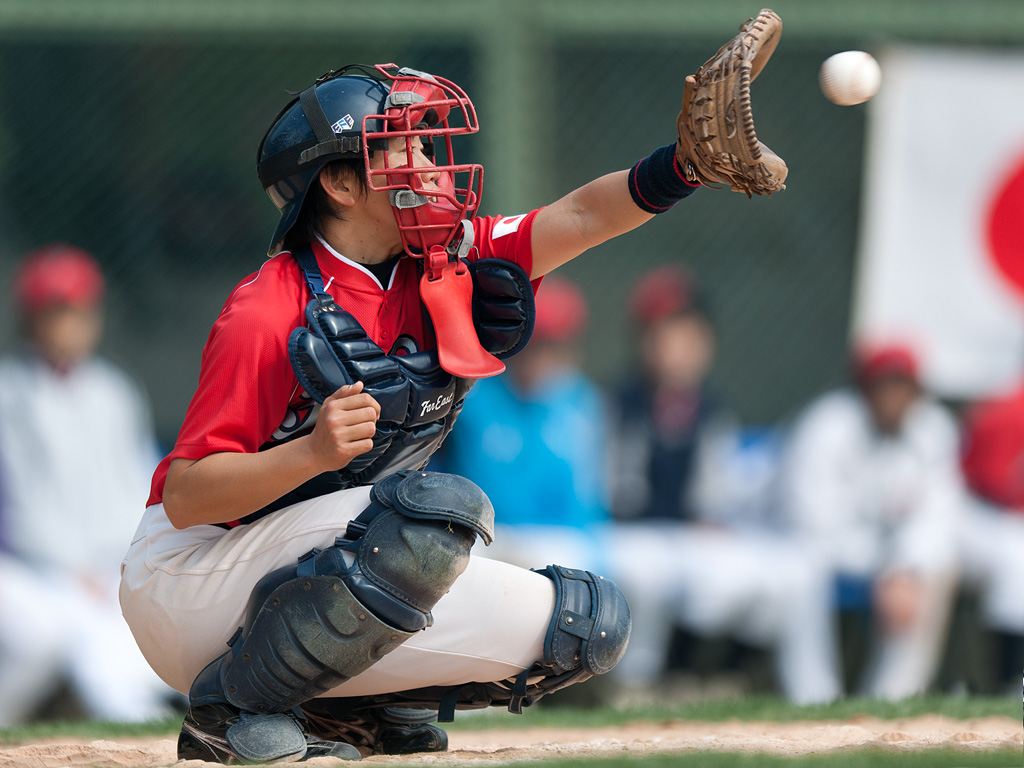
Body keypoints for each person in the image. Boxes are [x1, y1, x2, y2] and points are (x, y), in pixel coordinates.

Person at [118, 24, 787, 763]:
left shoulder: (443, 258)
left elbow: (581, 217)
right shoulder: (268, 309)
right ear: (338, 184)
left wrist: (686, 165)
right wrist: (310, 452)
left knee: (586, 625)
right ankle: (227, 712)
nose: (430, 164)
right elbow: (186, 495)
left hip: (325, 552)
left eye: (429, 145)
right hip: (188, 585)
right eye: (402, 147)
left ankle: (350, 710)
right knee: (431, 517)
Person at [606, 265, 839, 705]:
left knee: (784, 573)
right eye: (661, 333)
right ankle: (637, 682)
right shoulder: (622, 402)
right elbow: (621, 494)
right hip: (633, 531)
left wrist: (707, 520)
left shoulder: (709, 404)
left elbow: (713, 497)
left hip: (688, 533)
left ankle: (720, 674)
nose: (675, 345)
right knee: (650, 567)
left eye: (686, 332)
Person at [0, 244, 173, 725]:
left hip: (104, 569)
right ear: (31, 318)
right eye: (56, 311)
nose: (69, 323)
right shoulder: (9, 392)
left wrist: (123, 559)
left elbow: (140, 484)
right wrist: (69, 566)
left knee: (129, 668)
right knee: (41, 636)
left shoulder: (113, 390)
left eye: (77, 310)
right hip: (26, 569)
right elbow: (16, 511)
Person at [777, 343, 964, 700]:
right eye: (883, 384)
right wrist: (888, 568)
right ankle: (811, 697)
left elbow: (938, 517)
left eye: (902, 385)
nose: (893, 396)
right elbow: (811, 526)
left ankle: (893, 698)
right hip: (803, 547)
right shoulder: (826, 426)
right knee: (800, 572)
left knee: (935, 567)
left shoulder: (933, 428)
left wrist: (902, 568)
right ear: (863, 387)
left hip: (885, 561)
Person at [441, 275, 611, 573]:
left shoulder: (582, 403)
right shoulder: (474, 395)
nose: (539, 357)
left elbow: (587, 505)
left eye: (552, 345)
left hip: (557, 539)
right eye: (532, 344)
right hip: (485, 535)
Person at [958, 378, 1024, 693]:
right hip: (977, 516)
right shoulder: (1008, 410)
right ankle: (1010, 682)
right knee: (1017, 558)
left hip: (1003, 519)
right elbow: (997, 486)